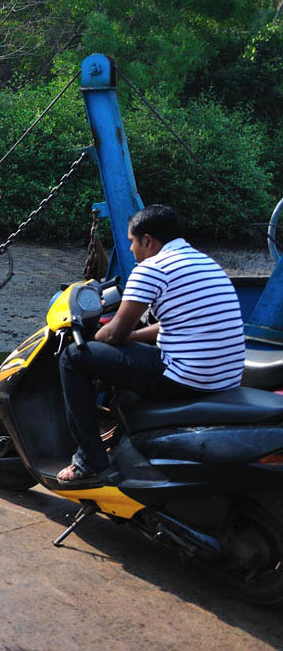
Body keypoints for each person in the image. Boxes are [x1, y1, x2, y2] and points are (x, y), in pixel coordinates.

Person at [56, 204, 246, 483]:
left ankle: (88, 460)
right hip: (224, 378)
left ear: (148, 241)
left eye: (132, 242)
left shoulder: (152, 268)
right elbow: (175, 324)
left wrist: (95, 337)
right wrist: (130, 337)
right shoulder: (205, 262)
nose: (131, 250)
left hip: (186, 378)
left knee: (74, 357)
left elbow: (115, 334)